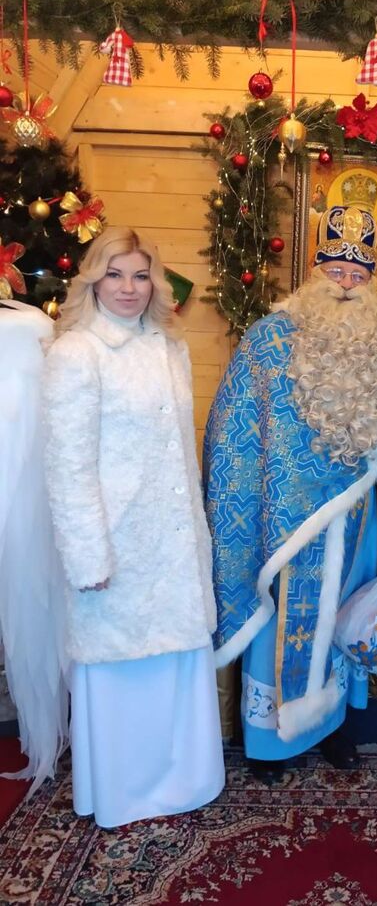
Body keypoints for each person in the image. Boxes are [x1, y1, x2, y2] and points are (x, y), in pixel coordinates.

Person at [42, 227, 225, 828]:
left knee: (174, 663)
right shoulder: (77, 353)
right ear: (93, 281)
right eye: (114, 274)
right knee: (121, 670)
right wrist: (88, 557)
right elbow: (67, 466)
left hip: (173, 542)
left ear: (155, 283)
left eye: (140, 275)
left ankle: (183, 781)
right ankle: (126, 792)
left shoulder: (169, 348)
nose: (128, 288)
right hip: (116, 547)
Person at [204, 205, 377, 782]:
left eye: (358, 275)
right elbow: (232, 429)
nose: (346, 285)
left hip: (354, 512)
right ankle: (268, 741)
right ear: (314, 272)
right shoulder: (267, 338)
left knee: (344, 617)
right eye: (335, 272)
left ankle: (335, 729)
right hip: (283, 514)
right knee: (279, 621)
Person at [0, 298, 68, 796]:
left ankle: (57, 724)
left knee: (38, 589)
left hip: (33, 458)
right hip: (16, 451)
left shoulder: (27, 312)